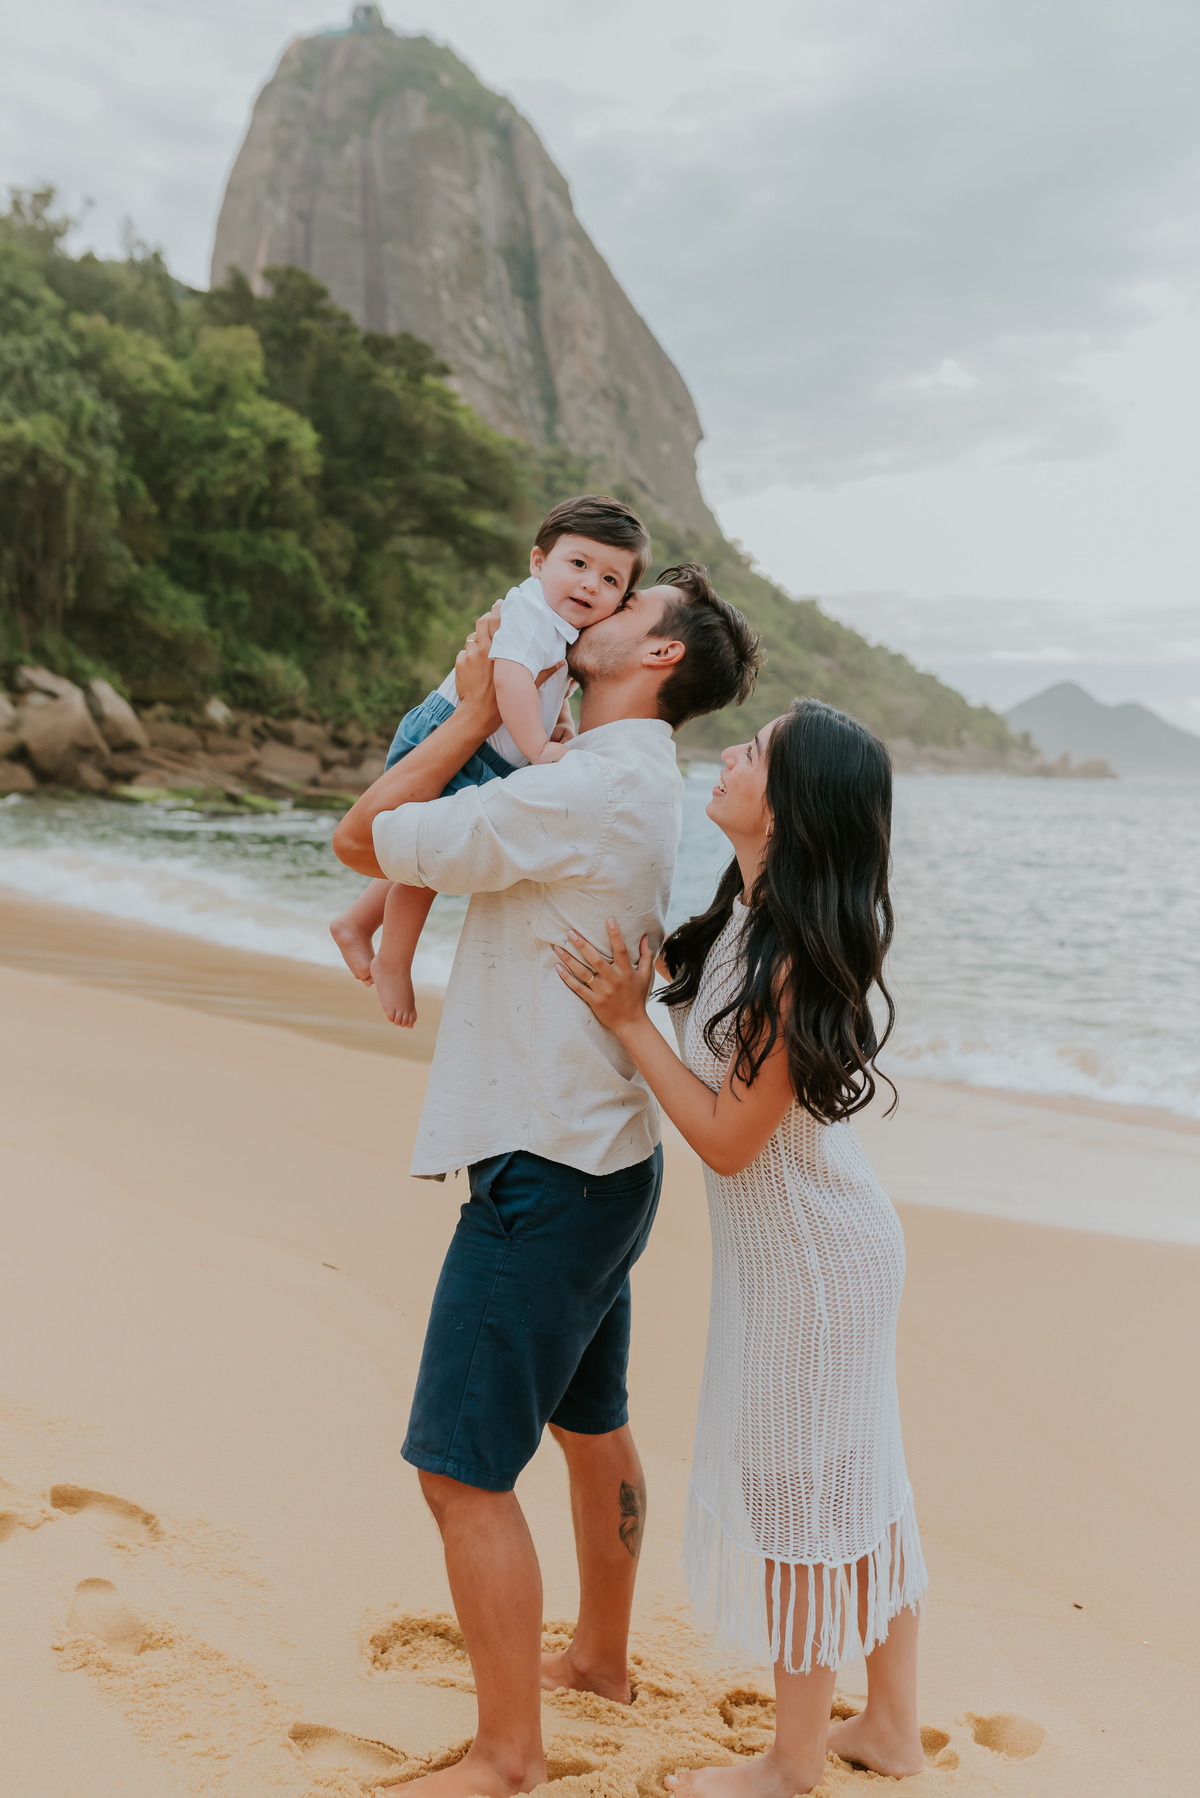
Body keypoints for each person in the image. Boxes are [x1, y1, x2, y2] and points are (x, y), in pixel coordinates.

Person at [331, 564, 762, 1798]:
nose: (586, 612)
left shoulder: (577, 787)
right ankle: (602, 1662)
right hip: (605, 1158)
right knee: (590, 1421)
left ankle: (507, 1755)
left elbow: (361, 835)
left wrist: (474, 709)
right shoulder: (629, 775)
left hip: (543, 1167)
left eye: (623, 606)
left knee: (459, 1470)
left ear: (659, 654)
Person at [553, 699, 928, 1796]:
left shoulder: (790, 958)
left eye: (756, 750)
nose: (730, 752)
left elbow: (726, 1141)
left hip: (814, 1261)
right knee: (853, 1478)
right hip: (812, 1249)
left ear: (792, 804)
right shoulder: (743, 919)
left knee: (804, 1490)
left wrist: (630, 1022)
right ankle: (890, 1728)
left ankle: (794, 1758)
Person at [330, 495, 651, 1028]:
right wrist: (538, 749)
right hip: (454, 738)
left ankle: (357, 923)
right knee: (423, 861)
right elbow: (510, 678)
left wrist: (561, 723)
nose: (591, 584)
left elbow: (550, 687)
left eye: (610, 580)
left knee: (424, 846)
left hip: (488, 754)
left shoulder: (563, 629)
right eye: (578, 563)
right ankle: (394, 959)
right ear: (538, 562)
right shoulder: (529, 613)